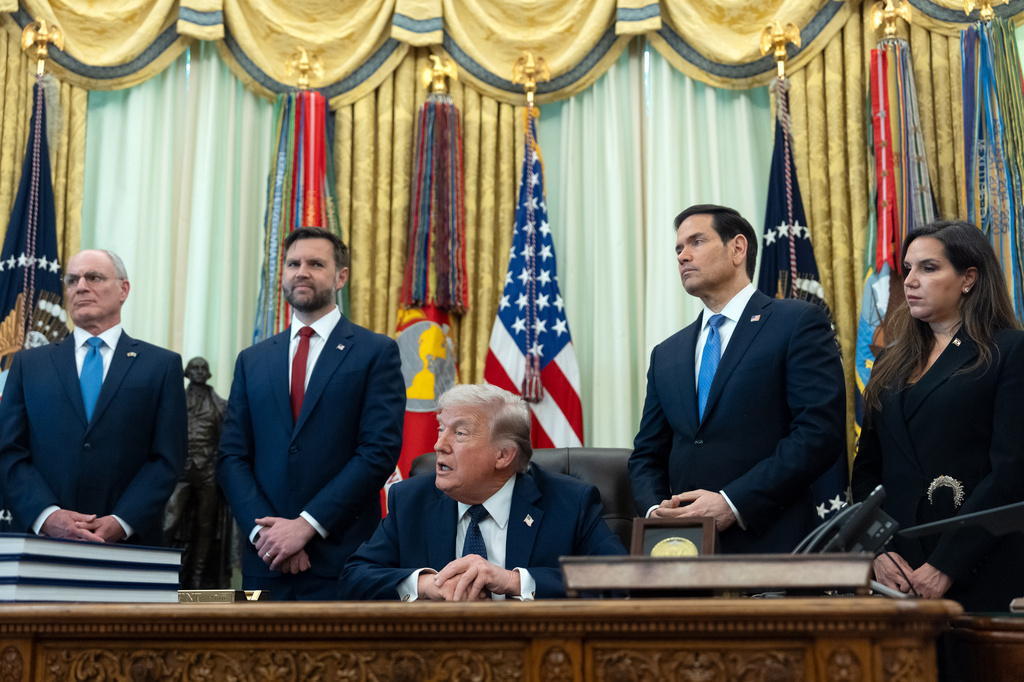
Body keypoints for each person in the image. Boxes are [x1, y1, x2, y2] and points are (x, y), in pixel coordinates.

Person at [628, 204, 846, 554]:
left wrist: (733, 502)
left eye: (696, 241)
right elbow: (647, 455)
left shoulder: (796, 323)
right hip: (683, 554)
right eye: (678, 248)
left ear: (738, 248)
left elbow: (818, 432)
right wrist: (657, 511)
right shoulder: (666, 353)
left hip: (772, 548)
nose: (683, 255)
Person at [217, 226, 405, 600]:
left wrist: (305, 526)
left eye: (315, 263)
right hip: (265, 561)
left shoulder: (375, 352)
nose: (301, 271)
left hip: (344, 560)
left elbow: (377, 451)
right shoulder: (252, 360)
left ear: (341, 276)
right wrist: (267, 536)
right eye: (293, 263)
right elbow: (231, 457)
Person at [852, 220, 1024, 612]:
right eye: (908, 268)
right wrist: (878, 550)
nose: (911, 280)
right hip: (897, 573)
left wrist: (947, 565)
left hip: (978, 567)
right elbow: (866, 474)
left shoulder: (1009, 351)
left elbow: (1011, 473)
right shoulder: (889, 363)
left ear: (968, 278)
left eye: (928, 268)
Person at [339, 383, 626, 601]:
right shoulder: (411, 500)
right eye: (441, 429)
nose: (439, 444)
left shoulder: (569, 503)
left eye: (459, 433)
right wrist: (426, 585)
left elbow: (619, 578)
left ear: (503, 455)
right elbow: (354, 578)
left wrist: (513, 581)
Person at [0, 249, 187, 546]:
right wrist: (47, 516)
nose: (81, 287)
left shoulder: (161, 366)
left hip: (128, 548)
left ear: (123, 289)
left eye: (94, 277)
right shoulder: (28, 365)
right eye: (72, 280)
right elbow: (9, 451)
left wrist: (122, 521)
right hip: (41, 548)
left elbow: (167, 458)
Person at [164, 357, 230, 588]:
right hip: (181, 470)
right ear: (187, 372)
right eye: (195, 368)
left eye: (204, 368)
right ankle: (161, 572)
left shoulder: (220, 405)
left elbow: (226, 442)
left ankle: (198, 579)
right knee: (168, 523)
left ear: (208, 373)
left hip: (208, 473)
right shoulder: (174, 401)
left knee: (206, 527)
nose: (200, 371)